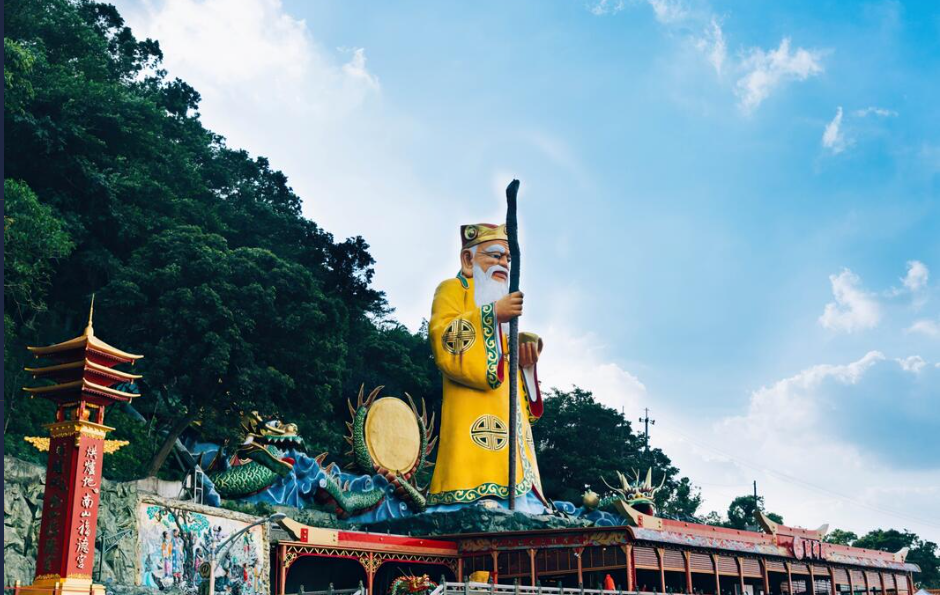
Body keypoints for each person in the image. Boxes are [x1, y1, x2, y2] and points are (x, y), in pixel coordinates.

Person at [426, 223, 546, 512]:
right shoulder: (453, 290)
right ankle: (472, 494)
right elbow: (444, 339)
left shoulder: (504, 308)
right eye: (494, 256)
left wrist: (526, 366)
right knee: (475, 480)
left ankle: (524, 498)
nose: (503, 263)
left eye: (507, 258)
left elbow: (508, 372)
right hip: (472, 417)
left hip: (510, 422)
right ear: (468, 260)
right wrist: (493, 315)